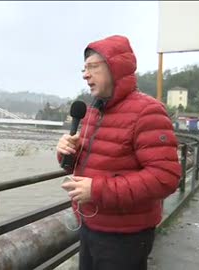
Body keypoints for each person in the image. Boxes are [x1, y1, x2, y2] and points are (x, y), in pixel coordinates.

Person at [56, 35, 182, 270]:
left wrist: (97, 189)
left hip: (125, 236)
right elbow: (81, 165)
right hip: (90, 225)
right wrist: (65, 152)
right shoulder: (94, 111)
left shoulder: (147, 112)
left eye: (93, 67)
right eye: (84, 69)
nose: (85, 75)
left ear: (115, 69)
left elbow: (165, 177)